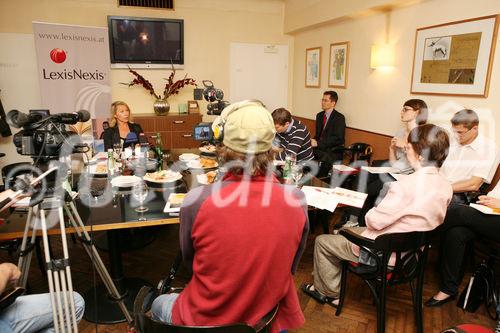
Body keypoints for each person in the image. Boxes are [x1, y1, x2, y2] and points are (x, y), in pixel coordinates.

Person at [151, 100, 309, 332]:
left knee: (158, 304)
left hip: (208, 317)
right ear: (272, 150)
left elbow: (190, 262)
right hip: (265, 317)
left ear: (222, 149)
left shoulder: (197, 201)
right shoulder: (296, 200)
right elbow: (292, 264)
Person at [302, 124, 452, 306]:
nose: (405, 148)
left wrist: (374, 208)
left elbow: (374, 221)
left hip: (382, 253)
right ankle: (325, 272)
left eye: (409, 146)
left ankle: (328, 293)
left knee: (323, 242)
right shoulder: (446, 186)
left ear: (420, 155)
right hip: (412, 255)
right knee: (343, 233)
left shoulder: (404, 185)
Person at [426, 180, 500, 307]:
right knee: (456, 233)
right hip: (492, 212)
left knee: (456, 211)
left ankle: (416, 247)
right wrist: (488, 198)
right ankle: (448, 290)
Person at [439, 109, 498, 203]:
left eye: (460, 132)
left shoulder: (488, 148)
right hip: (439, 184)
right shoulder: (451, 139)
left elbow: (474, 184)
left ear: (475, 129)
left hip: (463, 193)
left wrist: (441, 188)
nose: (455, 135)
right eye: (454, 131)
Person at [311, 91, 346, 177]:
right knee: (304, 152)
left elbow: (338, 138)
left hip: (332, 151)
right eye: (322, 100)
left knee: (320, 163)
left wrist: (318, 143)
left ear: (333, 103)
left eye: (325, 100)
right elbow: (318, 135)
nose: (322, 102)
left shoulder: (339, 118)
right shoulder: (319, 116)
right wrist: (312, 141)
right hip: (320, 149)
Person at [389, 99, 428, 172]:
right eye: (402, 109)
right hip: (396, 171)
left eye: (405, 109)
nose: (401, 112)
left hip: (412, 174)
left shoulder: (423, 135)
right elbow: (394, 164)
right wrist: (392, 149)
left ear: (416, 113)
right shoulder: (400, 132)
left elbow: (421, 164)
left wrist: (404, 145)